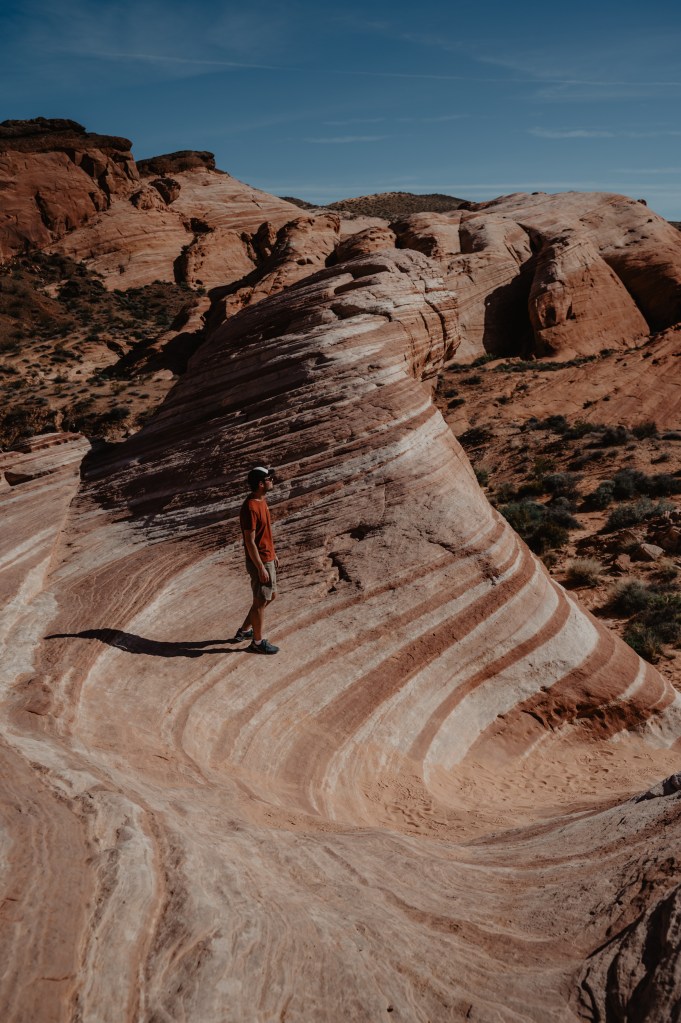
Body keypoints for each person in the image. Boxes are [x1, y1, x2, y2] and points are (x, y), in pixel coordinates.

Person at [234, 466, 280, 654]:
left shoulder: (262, 500)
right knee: (260, 602)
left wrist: (273, 553)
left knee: (270, 596)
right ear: (261, 484)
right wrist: (260, 567)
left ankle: (245, 630)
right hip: (259, 561)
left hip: (267, 556)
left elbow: (265, 533)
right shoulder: (251, 507)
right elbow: (249, 540)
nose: (273, 480)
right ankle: (257, 643)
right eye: (270, 478)